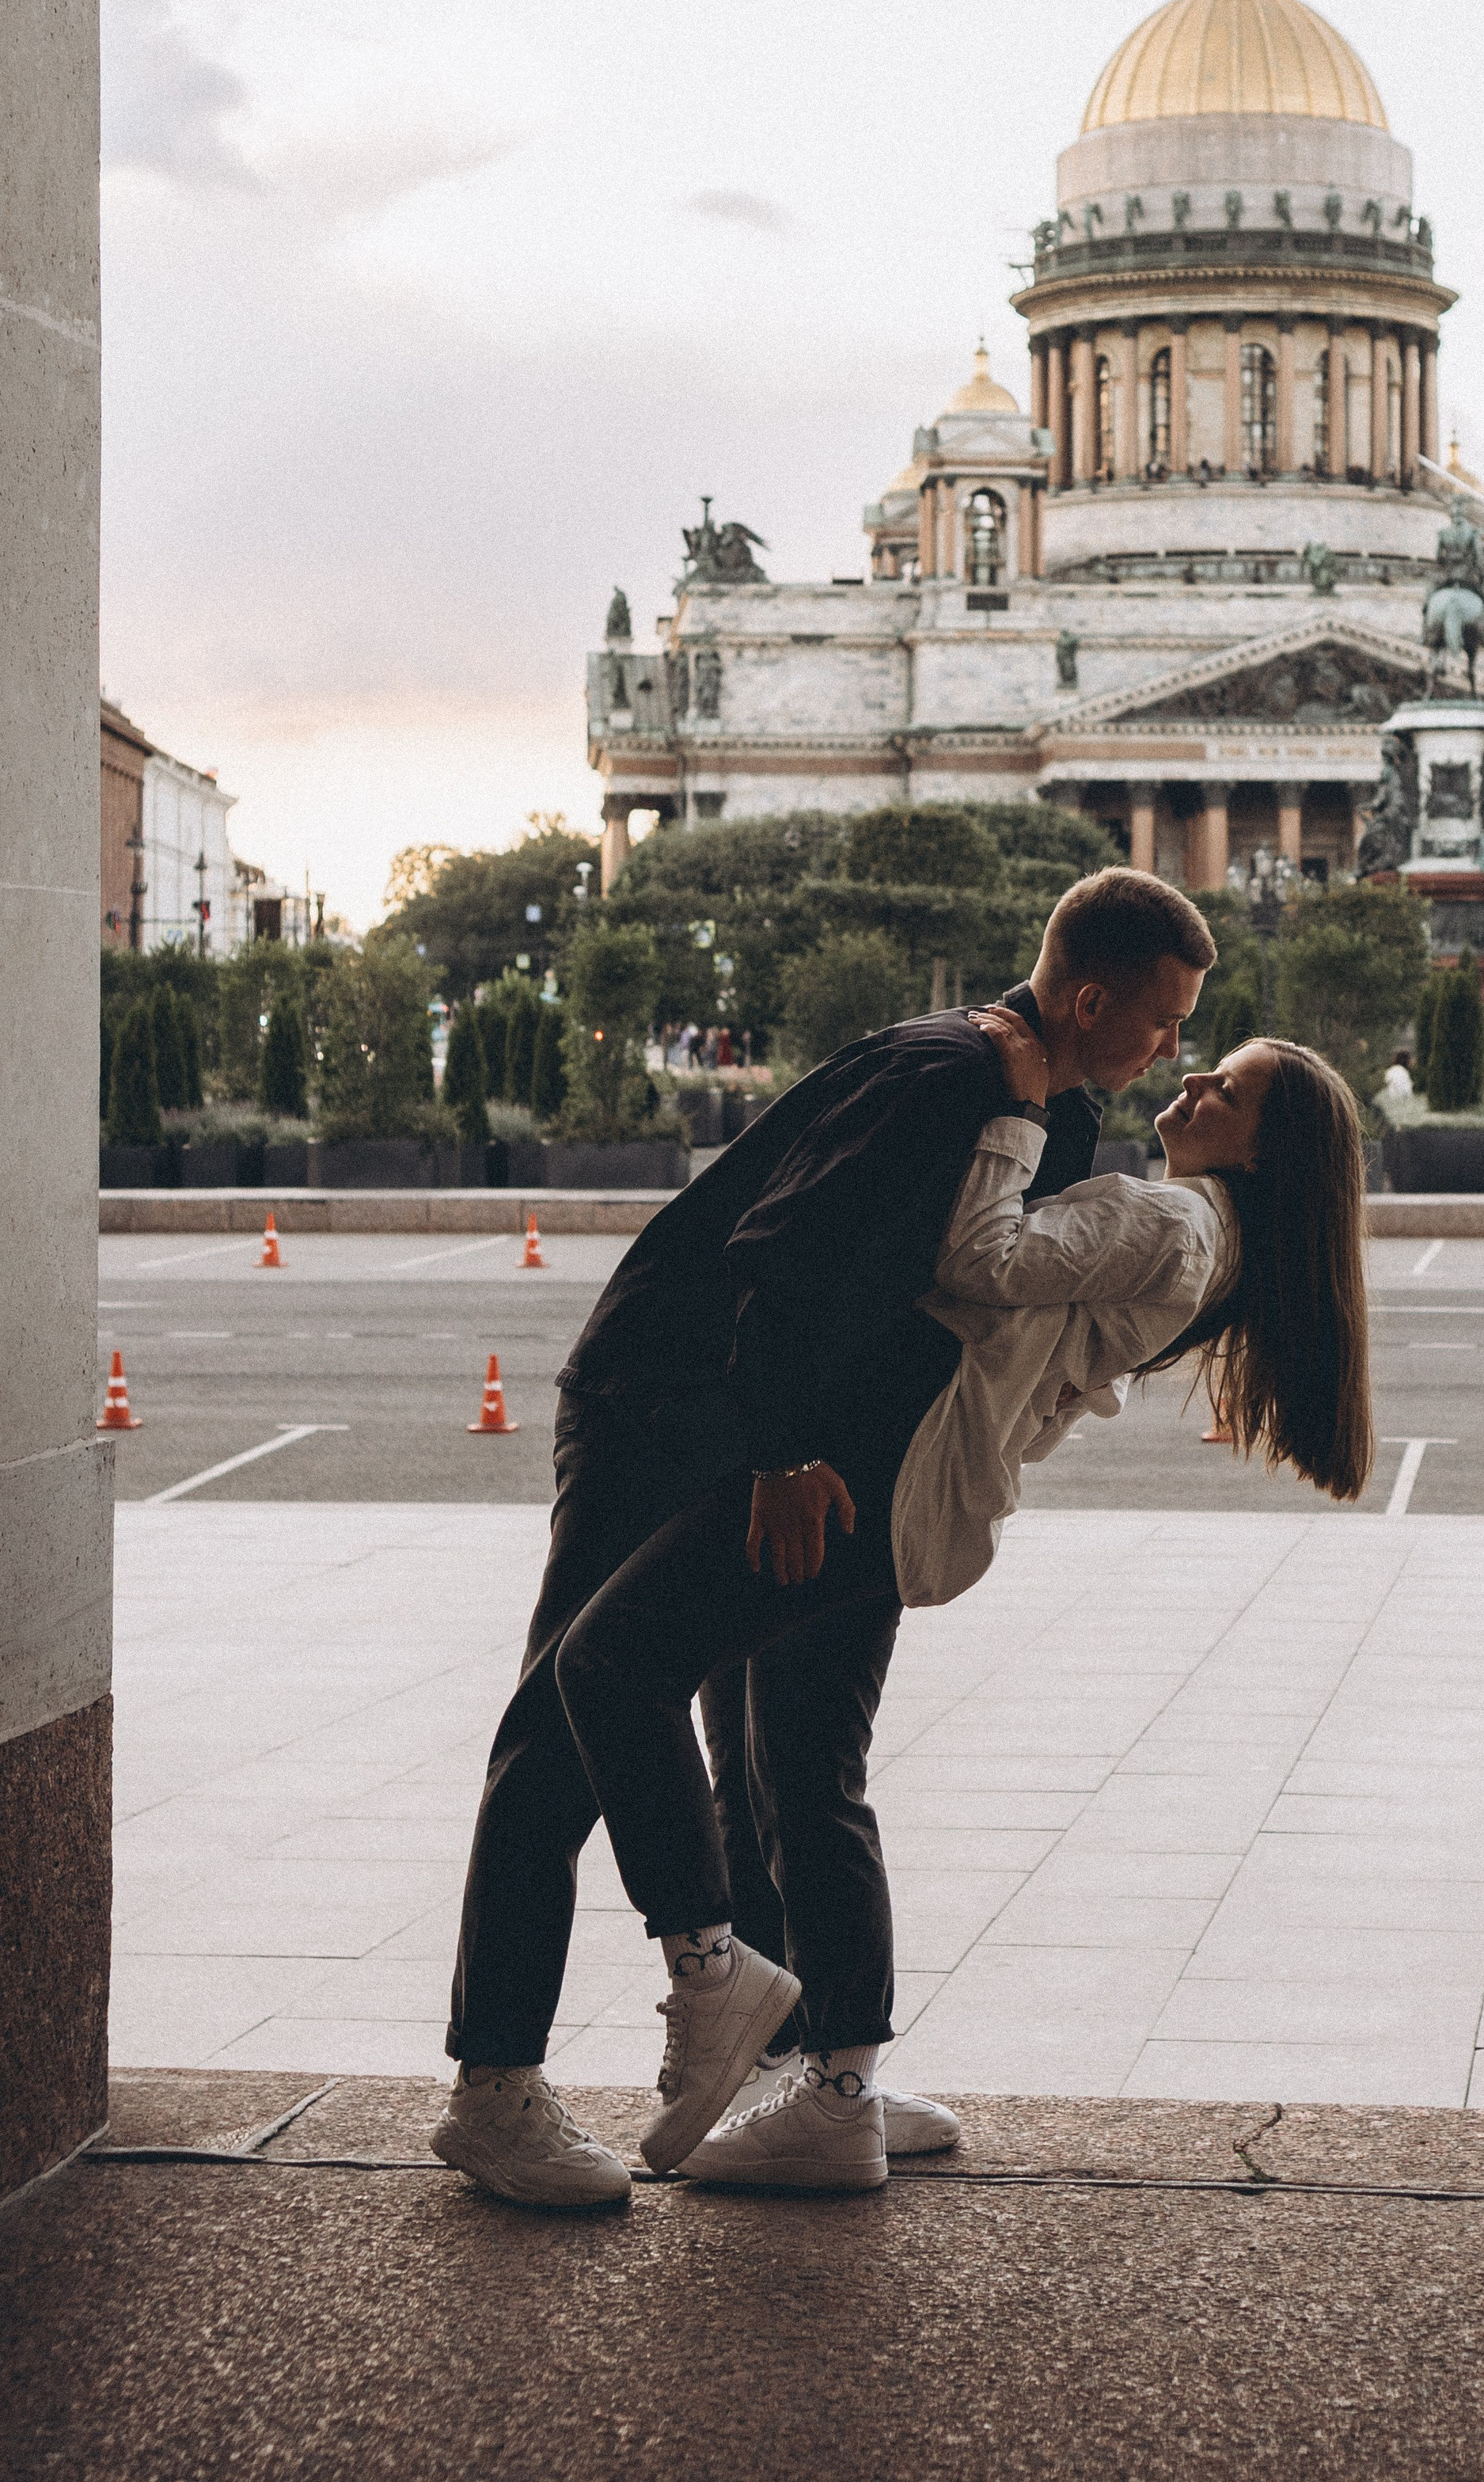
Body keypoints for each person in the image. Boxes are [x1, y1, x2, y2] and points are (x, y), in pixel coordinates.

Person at [428, 869, 1215, 2211]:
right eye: (1165, 1019)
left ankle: (807, 2072)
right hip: (667, 1396)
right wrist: (787, 1454)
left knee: (780, 1751)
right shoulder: (947, 1072)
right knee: (562, 1723)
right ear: (1092, 1000)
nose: (1172, 1048)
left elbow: (963, 1295)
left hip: (800, 1437)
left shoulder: (1056, 1108)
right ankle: (494, 2086)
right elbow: (781, 1252)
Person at [556, 1013, 1374, 2194]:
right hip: (901, 1477)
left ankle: (794, 2048)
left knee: (701, 1716)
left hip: (878, 1473)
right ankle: (825, 2070)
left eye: (1228, 1090)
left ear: (1265, 1150)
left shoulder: (1175, 1219)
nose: (1193, 1077)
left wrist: (1015, 1111)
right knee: (782, 1765)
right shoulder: (1211, 1233)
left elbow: (980, 1259)